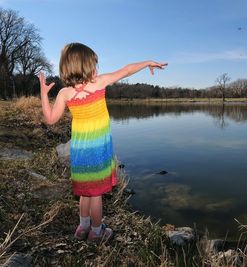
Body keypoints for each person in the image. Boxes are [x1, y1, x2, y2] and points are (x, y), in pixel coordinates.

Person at [39, 42, 167, 242]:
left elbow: (50, 119)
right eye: (93, 64)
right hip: (98, 150)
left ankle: (82, 228)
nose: (96, 68)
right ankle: (97, 231)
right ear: (85, 65)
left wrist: (44, 94)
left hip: (79, 151)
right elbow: (126, 70)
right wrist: (148, 62)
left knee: (85, 192)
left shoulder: (64, 93)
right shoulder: (98, 83)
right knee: (96, 194)